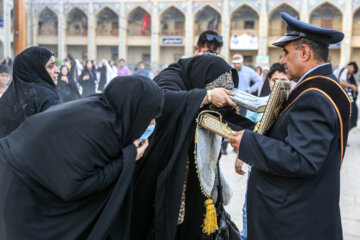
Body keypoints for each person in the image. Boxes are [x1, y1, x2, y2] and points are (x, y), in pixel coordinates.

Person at [227, 12, 351, 240]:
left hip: (293, 222)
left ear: (304, 52)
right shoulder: (325, 88)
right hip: (305, 212)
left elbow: (301, 159)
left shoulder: (315, 96)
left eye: (285, 53)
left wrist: (249, 142)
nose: (282, 61)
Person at [0, 76, 164, 240]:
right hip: (22, 191)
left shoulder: (100, 108)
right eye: (150, 115)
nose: (152, 122)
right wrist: (129, 157)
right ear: (134, 108)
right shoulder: (103, 130)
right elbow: (73, 186)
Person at [132, 55, 254, 240]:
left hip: (190, 182)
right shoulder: (172, 77)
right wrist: (207, 96)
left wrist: (251, 140)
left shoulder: (197, 86)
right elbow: (163, 99)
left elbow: (228, 118)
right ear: (204, 78)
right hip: (161, 172)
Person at [236, 63, 288, 240]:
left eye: (284, 80)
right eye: (276, 80)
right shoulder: (258, 104)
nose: (280, 84)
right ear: (269, 81)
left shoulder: (293, 105)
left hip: (280, 168)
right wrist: (239, 157)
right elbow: (246, 132)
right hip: (256, 166)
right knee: (249, 207)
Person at [0, 46, 61, 138]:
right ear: (37, 69)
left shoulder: (6, 97)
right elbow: (56, 136)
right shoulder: (47, 96)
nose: (57, 70)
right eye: (51, 66)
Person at [334, 62, 358, 130]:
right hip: (341, 96)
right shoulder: (345, 70)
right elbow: (342, 82)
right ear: (352, 67)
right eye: (352, 71)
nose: (350, 74)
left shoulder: (339, 70)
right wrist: (352, 86)